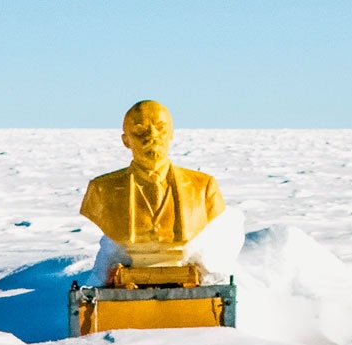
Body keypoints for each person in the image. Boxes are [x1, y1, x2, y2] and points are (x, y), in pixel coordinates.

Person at [80, 99, 243, 283]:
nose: (152, 136)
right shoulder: (101, 190)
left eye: (160, 128)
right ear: (126, 140)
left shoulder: (203, 187)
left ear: (171, 134)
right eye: (140, 129)